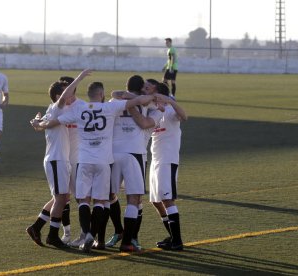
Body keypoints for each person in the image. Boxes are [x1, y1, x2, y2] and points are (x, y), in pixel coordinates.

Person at [31, 69, 156, 253]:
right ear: (102, 94)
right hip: (104, 161)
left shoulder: (79, 109)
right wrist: (155, 99)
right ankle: (100, 237)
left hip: (84, 160)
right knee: (100, 201)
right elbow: (140, 101)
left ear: (87, 95)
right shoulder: (110, 107)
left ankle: (87, 234)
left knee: (82, 200)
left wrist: (38, 124)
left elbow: (52, 123)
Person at [102, 75, 162, 252]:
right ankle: (127, 240)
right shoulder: (145, 103)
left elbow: (114, 94)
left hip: (113, 152)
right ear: (141, 88)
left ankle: (102, 237)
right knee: (134, 199)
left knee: (107, 196)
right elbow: (156, 103)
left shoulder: (115, 100)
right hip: (134, 153)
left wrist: (124, 94)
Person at [26, 80, 72, 249]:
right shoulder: (57, 108)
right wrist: (80, 77)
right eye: (67, 92)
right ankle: (53, 236)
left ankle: (36, 227)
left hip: (59, 159)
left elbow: (37, 125)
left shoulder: (53, 109)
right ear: (59, 96)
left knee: (62, 198)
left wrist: (37, 121)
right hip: (56, 159)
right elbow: (38, 125)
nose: (71, 94)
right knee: (61, 198)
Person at [149, 83, 187, 250]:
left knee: (167, 199)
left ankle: (177, 241)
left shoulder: (171, 111)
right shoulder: (154, 112)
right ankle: (172, 236)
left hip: (167, 160)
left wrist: (170, 101)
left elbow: (184, 116)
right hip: (156, 161)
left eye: (154, 94)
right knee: (156, 201)